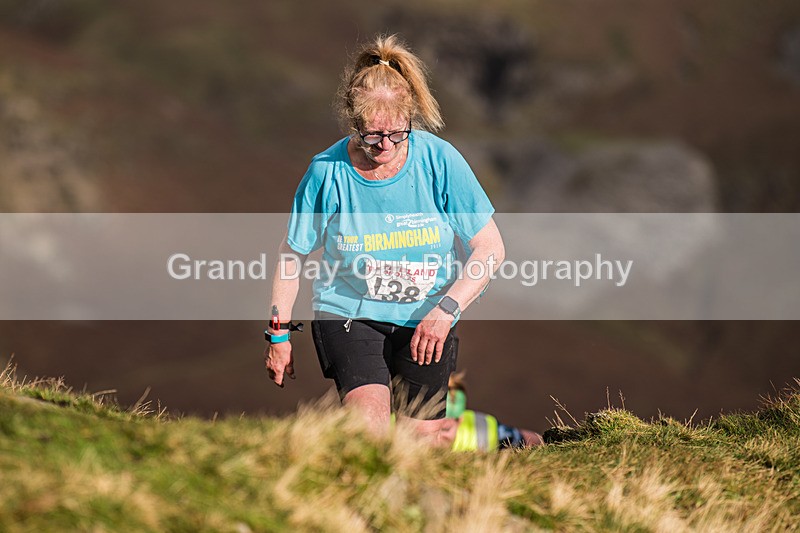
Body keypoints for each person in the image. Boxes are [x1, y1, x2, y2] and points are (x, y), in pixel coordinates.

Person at [264, 34, 504, 440]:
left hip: (428, 318)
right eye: (372, 136)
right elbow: (293, 254)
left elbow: (490, 248)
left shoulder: (440, 160)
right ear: (352, 122)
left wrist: (445, 311)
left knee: (418, 448)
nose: (385, 147)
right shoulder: (327, 171)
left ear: (410, 119)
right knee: (369, 431)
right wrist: (278, 334)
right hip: (349, 313)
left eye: (398, 134)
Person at [443, 371, 544, 451]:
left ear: (460, 419)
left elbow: (532, 440)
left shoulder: (486, 429)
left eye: (445, 428)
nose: (440, 434)